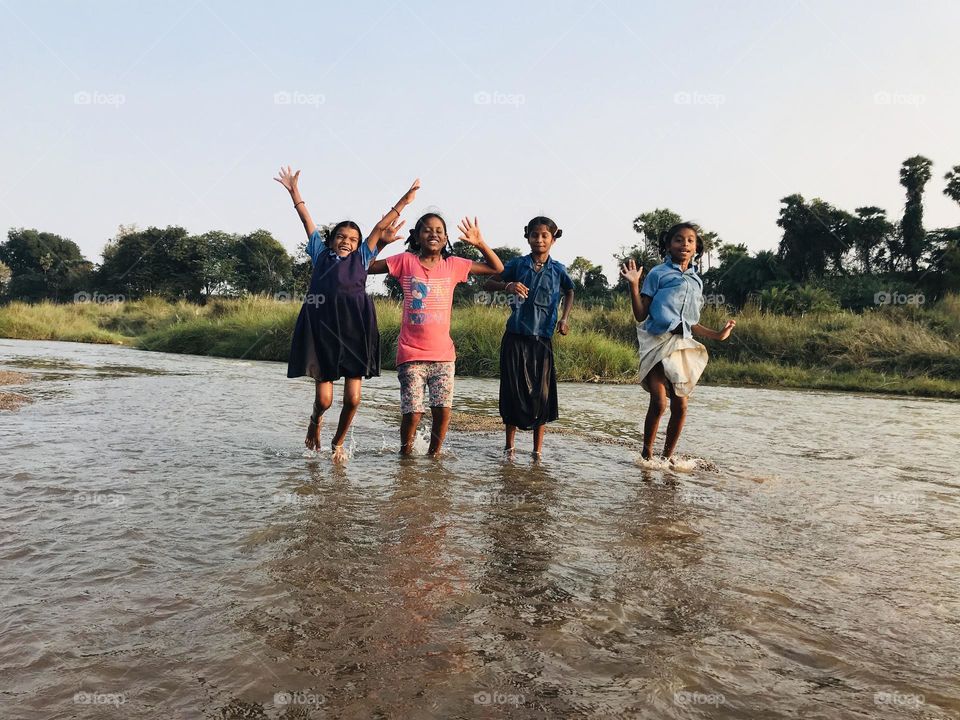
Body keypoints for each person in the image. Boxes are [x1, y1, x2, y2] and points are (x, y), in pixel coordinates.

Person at [275, 165, 419, 462]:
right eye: (341, 236)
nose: (347, 241)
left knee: (353, 398)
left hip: (356, 329)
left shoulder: (363, 256)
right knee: (325, 400)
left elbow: (380, 228)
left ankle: (337, 443)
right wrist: (295, 192)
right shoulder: (320, 253)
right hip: (323, 329)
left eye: (353, 239)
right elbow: (306, 219)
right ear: (331, 240)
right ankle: (315, 422)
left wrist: (405, 200)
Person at [369, 213, 504, 456]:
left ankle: (434, 456)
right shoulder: (404, 261)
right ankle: (405, 456)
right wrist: (381, 242)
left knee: (442, 410)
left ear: (445, 238)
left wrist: (480, 243)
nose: (434, 234)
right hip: (410, 353)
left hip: (443, 355)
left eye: (439, 230)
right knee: (413, 412)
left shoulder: (454, 265)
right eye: (427, 230)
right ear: (417, 236)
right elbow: (365, 267)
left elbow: (497, 268)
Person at [619, 222, 736, 461]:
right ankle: (647, 454)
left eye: (690, 241)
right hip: (656, 340)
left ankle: (666, 459)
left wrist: (718, 334)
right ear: (669, 245)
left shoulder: (696, 281)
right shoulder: (658, 274)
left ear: (696, 248)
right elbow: (641, 313)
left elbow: (690, 322)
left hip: (682, 344)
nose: (684, 244)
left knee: (681, 406)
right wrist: (633, 285)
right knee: (659, 402)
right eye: (678, 240)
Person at [483, 216, 574, 459]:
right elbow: (489, 283)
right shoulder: (517, 264)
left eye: (545, 235)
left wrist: (564, 318)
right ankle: (509, 447)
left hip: (542, 339)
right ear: (528, 237)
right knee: (513, 392)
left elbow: (570, 290)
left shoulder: (559, 270)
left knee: (541, 395)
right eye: (535, 235)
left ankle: (537, 451)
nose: (539, 240)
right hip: (515, 337)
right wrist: (508, 286)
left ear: (553, 239)